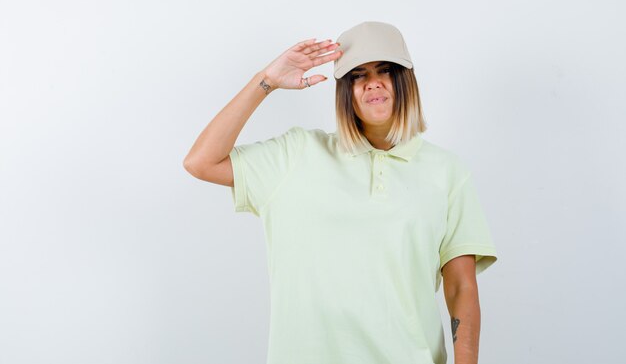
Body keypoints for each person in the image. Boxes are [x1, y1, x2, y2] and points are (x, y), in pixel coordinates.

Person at [183, 21, 498, 364]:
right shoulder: (298, 154)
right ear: (345, 90)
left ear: (406, 80)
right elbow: (201, 162)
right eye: (358, 75)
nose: (373, 82)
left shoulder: (447, 172)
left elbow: (461, 287)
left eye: (386, 70)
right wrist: (267, 81)